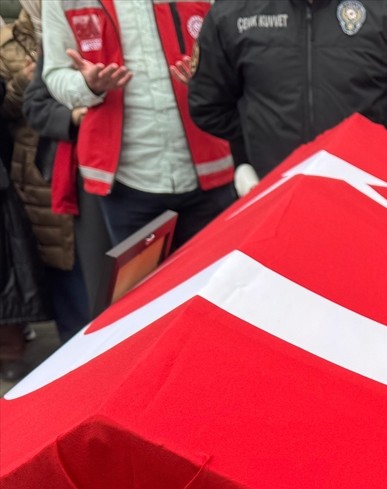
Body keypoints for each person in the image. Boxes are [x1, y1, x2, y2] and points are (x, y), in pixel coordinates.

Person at [188, 0, 387, 180]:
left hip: (374, 197)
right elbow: (208, 105)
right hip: (276, 198)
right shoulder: (234, 12)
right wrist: (261, 136)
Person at [41, 0, 234, 246]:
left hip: (209, 165)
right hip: (128, 180)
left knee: (220, 276)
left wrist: (214, 78)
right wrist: (87, 85)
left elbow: (237, 47)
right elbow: (55, 74)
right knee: (145, 283)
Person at [2, 0, 88, 341]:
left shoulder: (82, 23)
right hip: (38, 165)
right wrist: (24, 84)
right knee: (57, 256)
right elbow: (5, 111)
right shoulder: (8, 42)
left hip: (89, 154)